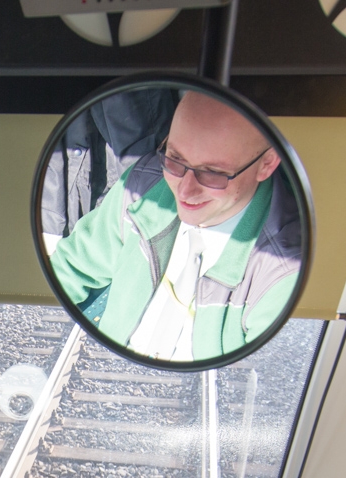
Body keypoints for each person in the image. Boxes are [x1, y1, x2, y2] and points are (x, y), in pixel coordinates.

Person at [48, 90, 302, 362]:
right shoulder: (141, 184)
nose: (184, 190)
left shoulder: (284, 274)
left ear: (267, 164)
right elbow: (68, 270)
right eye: (175, 159)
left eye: (212, 173)